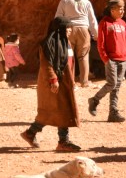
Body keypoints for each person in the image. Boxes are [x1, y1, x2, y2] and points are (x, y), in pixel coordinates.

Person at [20, 16, 81, 152]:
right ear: (59, 29)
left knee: (56, 111)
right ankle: (63, 142)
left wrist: (72, 81)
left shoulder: (66, 42)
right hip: (53, 83)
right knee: (60, 111)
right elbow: (46, 64)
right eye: (67, 28)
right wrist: (53, 80)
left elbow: (69, 64)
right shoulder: (48, 44)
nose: (70, 30)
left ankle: (30, 133)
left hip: (65, 82)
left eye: (70, 28)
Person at [88, 0, 126, 123]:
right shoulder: (104, 23)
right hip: (111, 59)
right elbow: (100, 43)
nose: (122, 11)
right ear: (112, 10)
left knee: (117, 86)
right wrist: (105, 58)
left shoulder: (123, 23)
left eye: (123, 9)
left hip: (123, 59)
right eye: (120, 9)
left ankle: (113, 113)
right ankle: (95, 100)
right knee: (112, 84)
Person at [55, 0, 99, 87]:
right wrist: (95, 34)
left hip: (68, 29)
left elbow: (58, 16)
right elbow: (92, 19)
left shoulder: (65, 0)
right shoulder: (86, 2)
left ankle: (70, 82)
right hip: (83, 29)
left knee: (69, 55)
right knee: (83, 56)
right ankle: (84, 82)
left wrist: (57, 30)